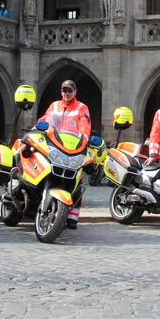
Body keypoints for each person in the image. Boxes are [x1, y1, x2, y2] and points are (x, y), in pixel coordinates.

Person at [39, 80, 91, 228]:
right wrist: (36, 127)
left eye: (69, 91)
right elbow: (45, 119)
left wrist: (84, 141)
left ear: (75, 91)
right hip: (54, 145)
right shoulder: (54, 105)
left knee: (77, 180)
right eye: (64, 91)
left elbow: (85, 125)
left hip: (73, 148)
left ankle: (73, 216)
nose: (66, 93)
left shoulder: (82, 108)